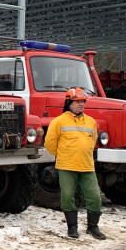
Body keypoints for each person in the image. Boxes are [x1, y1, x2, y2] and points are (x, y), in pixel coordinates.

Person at [44, 87, 106, 240]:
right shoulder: (58, 121)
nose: (81, 104)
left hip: (87, 166)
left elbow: (93, 142)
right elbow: (49, 143)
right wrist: (63, 155)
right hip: (66, 166)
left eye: (83, 101)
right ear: (68, 103)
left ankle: (93, 227)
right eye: (77, 102)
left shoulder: (91, 122)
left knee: (94, 198)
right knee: (67, 197)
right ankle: (72, 228)